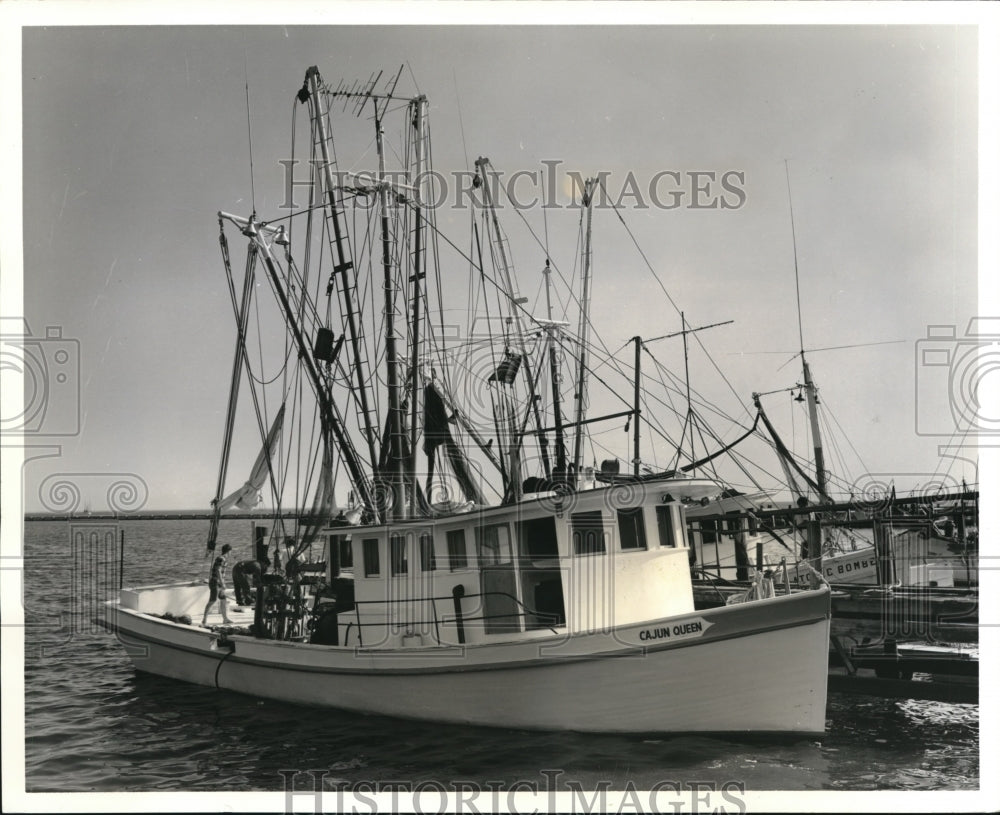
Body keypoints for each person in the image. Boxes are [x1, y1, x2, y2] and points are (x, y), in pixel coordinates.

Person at [202, 543, 234, 626]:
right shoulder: (221, 559)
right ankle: (204, 619)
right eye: (231, 551)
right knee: (212, 600)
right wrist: (222, 583)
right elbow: (218, 570)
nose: (231, 553)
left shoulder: (222, 558)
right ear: (228, 551)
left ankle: (225, 619)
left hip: (219, 583)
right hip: (216, 582)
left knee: (223, 600)